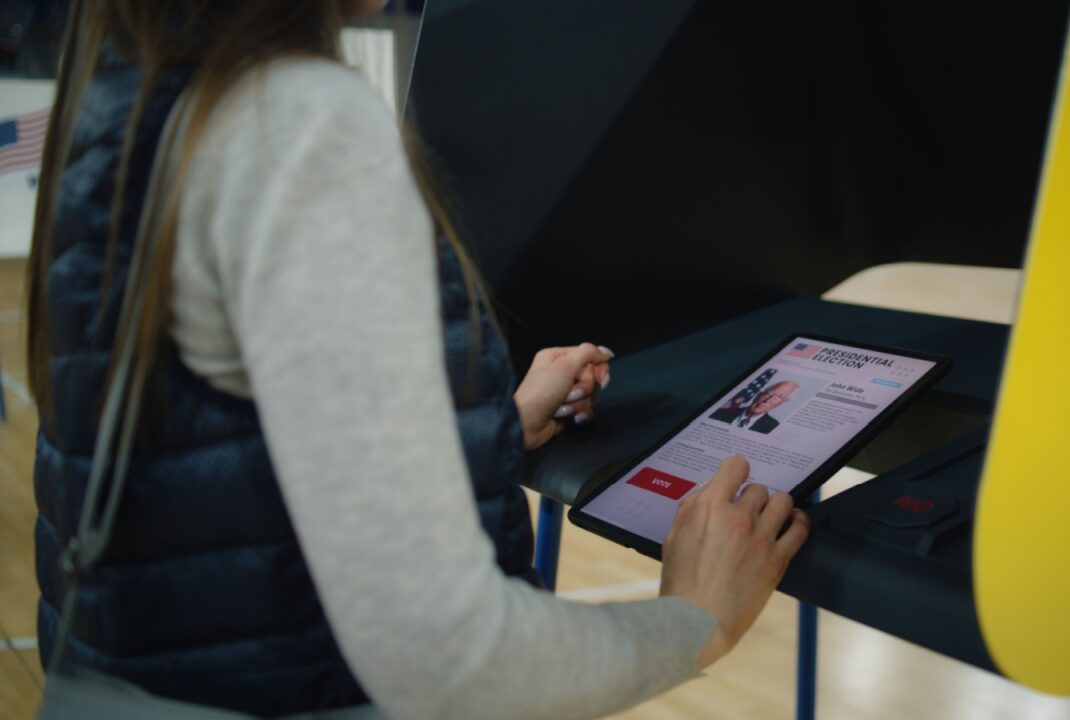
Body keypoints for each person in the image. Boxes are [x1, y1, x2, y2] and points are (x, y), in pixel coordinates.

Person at [25, 2, 811, 718]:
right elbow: (452, 663)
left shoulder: (132, 104)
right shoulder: (297, 122)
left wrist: (488, 431)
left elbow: (212, 479)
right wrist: (693, 621)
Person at [710, 381, 798, 434]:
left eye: (778, 397)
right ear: (759, 395)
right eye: (769, 394)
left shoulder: (773, 427)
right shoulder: (720, 413)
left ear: (780, 404)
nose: (767, 401)